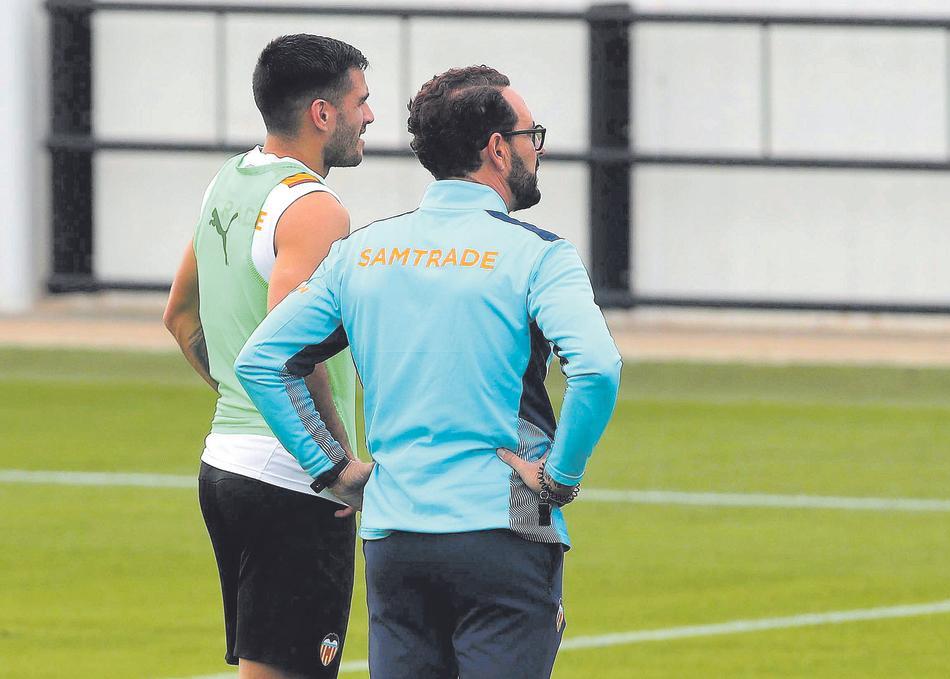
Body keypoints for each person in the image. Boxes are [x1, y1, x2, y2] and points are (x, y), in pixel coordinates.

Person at [235, 65, 622, 679]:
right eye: (531, 136)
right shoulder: (539, 254)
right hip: (504, 528)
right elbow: (597, 370)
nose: (536, 149)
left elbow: (261, 362)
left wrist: (332, 470)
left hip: (396, 540)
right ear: (497, 149)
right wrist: (559, 481)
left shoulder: (363, 251)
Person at [162, 34, 375, 679]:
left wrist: (240, 402)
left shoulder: (226, 184)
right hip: (293, 477)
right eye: (361, 101)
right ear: (322, 113)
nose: (370, 116)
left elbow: (179, 317)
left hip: (225, 464)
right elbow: (295, 350)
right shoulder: (313, 209)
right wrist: (335, 461)